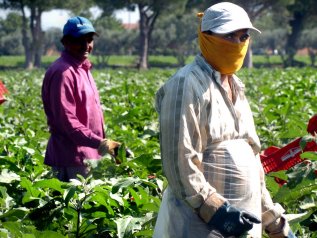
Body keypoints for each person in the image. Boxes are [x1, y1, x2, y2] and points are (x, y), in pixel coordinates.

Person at [154, 2, 296, 238]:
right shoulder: (186, 84)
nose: (238, 44)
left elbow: (253, 165)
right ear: (206, 37)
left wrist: (273, 221)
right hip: (200, 226)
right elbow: (179, 161)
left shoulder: (236, 87)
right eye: (229, 36)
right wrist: (214, 209)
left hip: (243, 223)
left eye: (244, 36)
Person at [42, 16, 119, 182]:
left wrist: (104, 145)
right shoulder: (63, 73)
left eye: (89, 40)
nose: (86, 46)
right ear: (66, 42)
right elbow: (68, 123)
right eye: (79, 41)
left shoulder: (83, 68)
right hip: (71, 159)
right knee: (74, 206)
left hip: (88, 156)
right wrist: (103, 144)